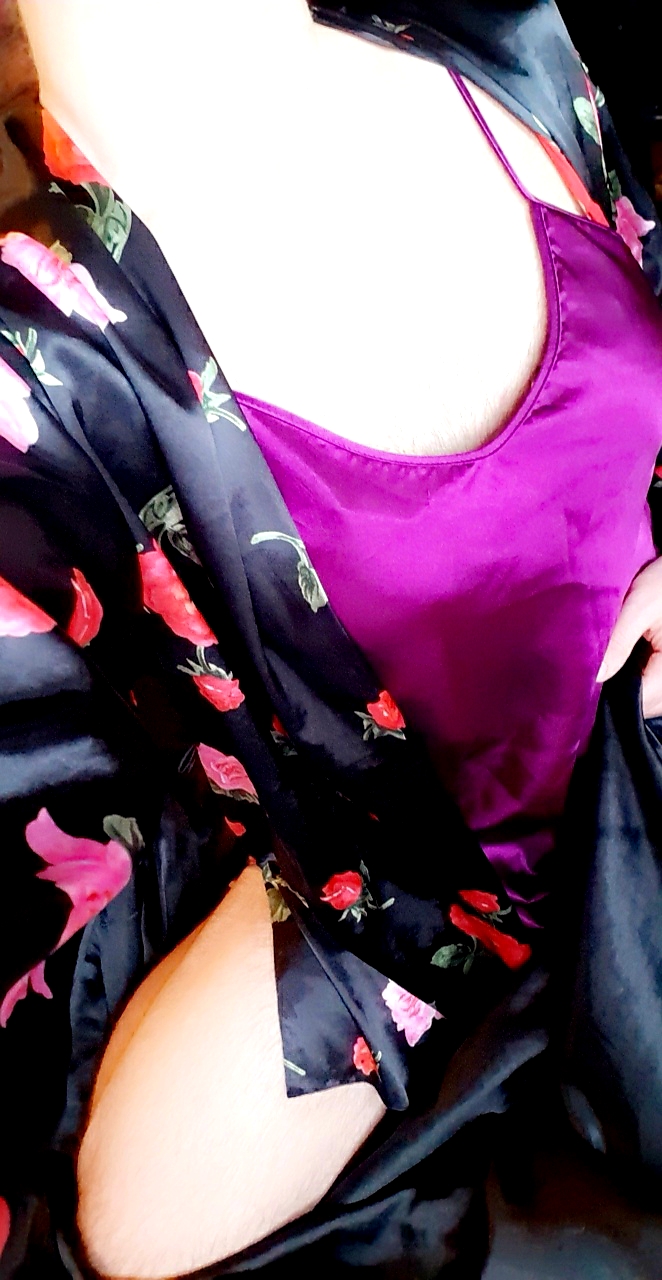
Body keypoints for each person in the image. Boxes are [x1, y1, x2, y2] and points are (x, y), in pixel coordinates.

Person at [1, 3, 662, 1278]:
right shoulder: (39, 384)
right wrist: (341, 865)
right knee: (140, 1232)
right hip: (437, 908)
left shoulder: (493, 38)